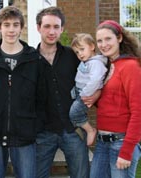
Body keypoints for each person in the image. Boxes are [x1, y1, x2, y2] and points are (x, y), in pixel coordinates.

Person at [0, 6, 46, 178]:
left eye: (15, 25)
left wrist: (35, 126)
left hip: (24, 132)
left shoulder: (34, 59)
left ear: (21, 28)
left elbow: (41, 98)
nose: (11, 30)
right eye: (6, 25)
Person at [35, 7, 99, 178]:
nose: (51, 31)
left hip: (73, 130)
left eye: (56, 27)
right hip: (42, 132)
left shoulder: (73, 56)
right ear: (38, 28)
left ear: (62, 29)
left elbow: (94, 74)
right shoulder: (30, 60)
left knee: (81, 175)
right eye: (47, 26)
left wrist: (95, 95)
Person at [89, 20, 141, 178]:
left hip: (121, 142)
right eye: (100, 41)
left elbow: (139, 113)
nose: (104, 44)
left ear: (119, 38)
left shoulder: (130, 66)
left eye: (108, 39)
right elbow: (111, 103)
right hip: (102, 142)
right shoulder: (107, 66)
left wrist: (127, 150)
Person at [69, 33, 108, 146]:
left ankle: (90, 130)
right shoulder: (87, 61)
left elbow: (95, 80)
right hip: (78, 91)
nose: (80, 54)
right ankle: (79, 127)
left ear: (92, 46)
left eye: (82, 49)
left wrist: (85, 94)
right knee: (75, 113)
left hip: (85, 94)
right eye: (77, 52)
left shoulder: (96, 63)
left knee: (74, 113)